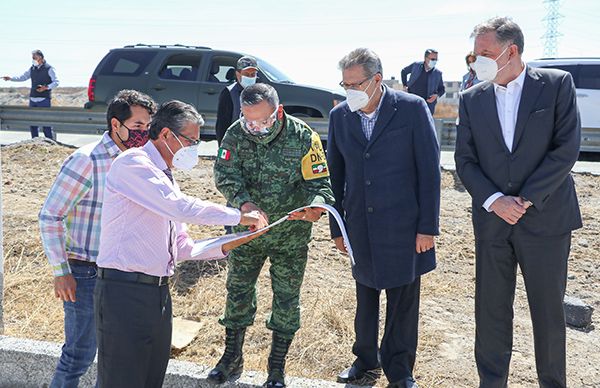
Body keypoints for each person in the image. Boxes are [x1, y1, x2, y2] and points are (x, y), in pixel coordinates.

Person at [93, 100, 266, 388]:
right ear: (165, 136)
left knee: (150, 380)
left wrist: (234, 240)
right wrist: (238, 216)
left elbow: (183, 247)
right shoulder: (133, 164)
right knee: (120, 382)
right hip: (123, 292)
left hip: (157, 294)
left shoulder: (165, 178)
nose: (195, 148)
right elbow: (180, 208)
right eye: (191, 141)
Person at [454, 17, 582, 388]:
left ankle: (552, 383)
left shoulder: (556, 85)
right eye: (474, 55)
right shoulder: (472, 99)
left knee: (548, 314)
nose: (477, 62)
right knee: (491, 312)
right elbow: (465, 160)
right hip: (494, 223)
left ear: (511, 51)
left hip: (546, 220)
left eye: (485, 54)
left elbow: (566, 149)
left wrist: (523, 200)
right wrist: (495, 201)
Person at [328, 48, 441, 388]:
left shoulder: (411, 109)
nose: (349, 90)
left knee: (403, 300)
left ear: (377, 80)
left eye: (355, 83)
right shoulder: (341, 117)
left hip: (405, 226)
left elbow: (429, 171)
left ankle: (400, 368)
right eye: (344, 84)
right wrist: (337, 227)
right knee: (365, 296)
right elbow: (335, 175)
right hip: (360, 224)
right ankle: (365, 360)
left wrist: (427, 228)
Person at [210, 83, 334, 388]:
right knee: (237, 293)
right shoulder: (236, 134)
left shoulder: (304, 136)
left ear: (278, 112)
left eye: (263, 121)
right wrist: (243, 202)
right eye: (249, 120)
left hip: (289, 236)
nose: (256, 128)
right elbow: (225, 174)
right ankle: (231, 357)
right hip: (247, 233)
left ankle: (276, 367)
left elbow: (321, 185)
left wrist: (316, 208)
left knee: (287, 300)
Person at [39, 89, 157, 387]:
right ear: (116, 125)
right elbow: (50, 216)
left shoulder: (140, 162)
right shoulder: (87, 160)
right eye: (138, 126)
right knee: (79, 355)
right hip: (86, 273)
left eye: (148, 127)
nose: (144, 133)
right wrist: (61, 272)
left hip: (122, 275)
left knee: (115, 356)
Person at [2, 49, 59, 139]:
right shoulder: (32, 68)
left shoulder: (49, 68)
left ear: (40, 57)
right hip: (33, 99)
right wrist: (11, 78)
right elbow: (23, 77)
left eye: (34, 57)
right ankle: (34, 143)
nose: (33, 59)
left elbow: (56, 82)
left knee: (46, 125)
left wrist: (46, 87)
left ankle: (51, 144)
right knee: (32, 124)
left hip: (44, 100)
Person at [215, 56, 259, 145]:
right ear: (238, 74)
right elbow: (222, 124)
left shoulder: (260, 93)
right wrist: (223, 146)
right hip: (235, 144)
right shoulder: (229, 93)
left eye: (253, 74)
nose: (250, 77)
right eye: (246, 74)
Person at [400, 49, 445, 115]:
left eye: (436, 60)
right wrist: (405, 86)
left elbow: (442, 89)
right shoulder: (416, 65)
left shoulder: (438, 73)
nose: (434, 61)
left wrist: (436, 95)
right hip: (411, 101)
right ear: (425, 58)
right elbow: (404, 71)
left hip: (427, 106)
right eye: (433, 59)